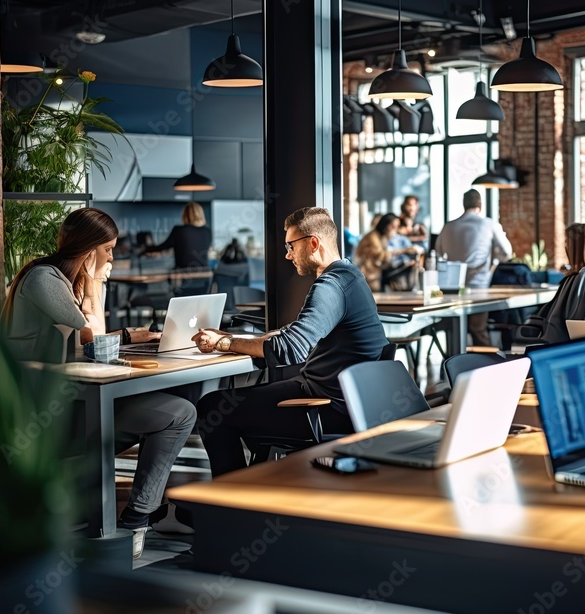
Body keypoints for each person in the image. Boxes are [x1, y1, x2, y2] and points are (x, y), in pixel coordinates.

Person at [1, 207, 197, 558]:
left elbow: (91, 343)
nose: (112, 256)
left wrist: (124, 333)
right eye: (108, 249)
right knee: (178, 411)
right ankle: (124, 521)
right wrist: (95, 284)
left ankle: (140, 516)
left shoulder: (64, 281)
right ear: (90, 249)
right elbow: (94, 338)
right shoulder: (43, 278)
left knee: (180, 410)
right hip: (49, 416)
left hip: (75, 401)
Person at [192, 207, 389, 477]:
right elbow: (297, 333)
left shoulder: (329, 287)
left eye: (290, 246)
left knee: (212, 407)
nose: (287, 254)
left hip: (327, 407)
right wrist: (230, 336)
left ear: (313, 243)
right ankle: (255, 488)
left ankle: (229, 504)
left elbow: (289, 349)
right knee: (245, 403)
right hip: (350, 400)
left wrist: (222, 344)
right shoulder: (350, 277)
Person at [435, 189, 513, 346]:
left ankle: (454, 364)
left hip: (454, 287)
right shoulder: (489, 224)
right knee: (478, 329)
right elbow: (507, 252)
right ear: (480, 205)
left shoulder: (448, 227)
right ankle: (486, 366)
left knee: (455, 328)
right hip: (480, 285)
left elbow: (438, 254)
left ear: (464, 204)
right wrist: (494, 262)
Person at [530, 223, 585, 344]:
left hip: (561, 346)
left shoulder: (584, 277)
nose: (565, 247)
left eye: (567, 242)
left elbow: (573, 323)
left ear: (575, 247)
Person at [355, 212, 421, 291]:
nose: (395, 229)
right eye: (393, 226)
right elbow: (380, 255)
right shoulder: (373, 236)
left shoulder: (383, 237)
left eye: (397, 226)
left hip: (376, 274)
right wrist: (404, 251)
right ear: (385, 224)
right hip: (369, 275)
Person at [142, 201, 213, 269]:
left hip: (183, 274)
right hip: (204, 274)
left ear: (185, 215)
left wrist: (144, 249)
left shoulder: (179, 230)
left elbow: (163, 247)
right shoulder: (208, 232)